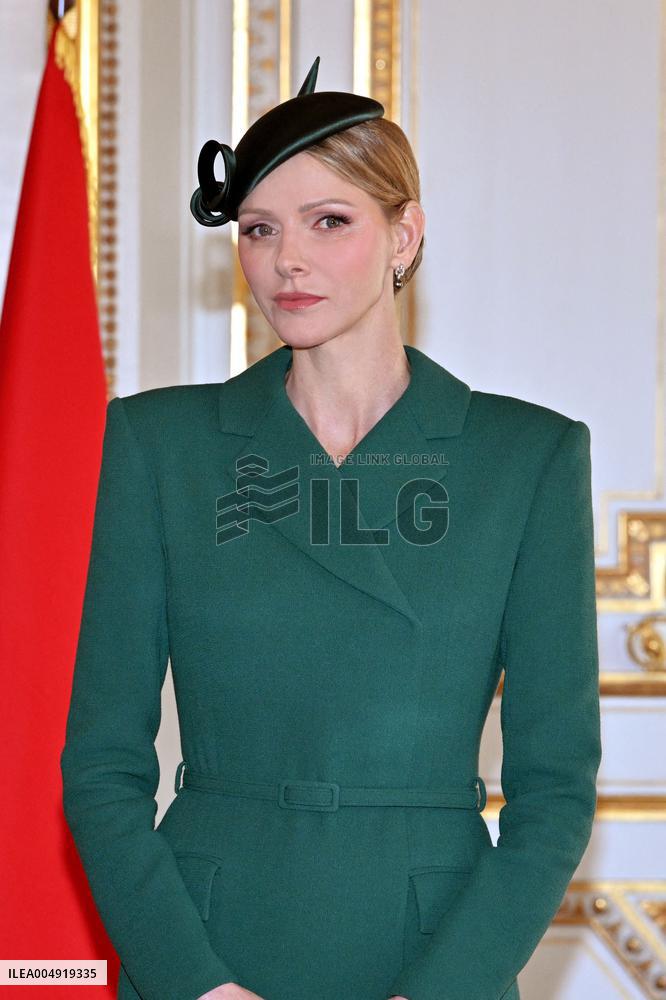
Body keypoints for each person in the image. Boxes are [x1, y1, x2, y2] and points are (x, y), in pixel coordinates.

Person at [60, 56, 602, 1000]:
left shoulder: (528, 458)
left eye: (329, 222)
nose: (288, 260)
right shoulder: (159, 444)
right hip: (207, 944)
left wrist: (443, 989)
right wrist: (194, 983)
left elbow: (556, 792)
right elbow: (101, 766)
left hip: (430, 949)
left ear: (406, 234)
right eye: (259, 229)